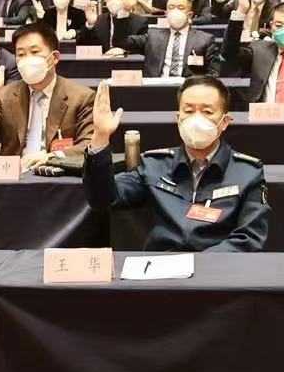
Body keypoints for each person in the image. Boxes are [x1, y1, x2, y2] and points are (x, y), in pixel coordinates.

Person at [83, 78, 269, 252]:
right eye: (188, 111)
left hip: (217, 267)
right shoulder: (154, 165)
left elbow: (249, 237)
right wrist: (101, 136)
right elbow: (103, 199)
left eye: (207, 112)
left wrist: (200, 265)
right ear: (178, 118)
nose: (196, 119)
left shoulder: (247, 172)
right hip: (162, 266)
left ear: (225, 122)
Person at [0, 22, 95, 158]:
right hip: (15, 169)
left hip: (56, 169)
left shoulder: (82, 97)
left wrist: (51, 157)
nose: (27, 59)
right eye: (21, 54)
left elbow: (89, 145)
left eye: (34, 52)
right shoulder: (4, 96)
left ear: (54, 58)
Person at [137, 0, 222, 79]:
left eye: (180, 8)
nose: (175, 11)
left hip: (188, 85)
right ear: (166, 13)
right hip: (156, 85)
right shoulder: (152, 35)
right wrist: (127, 12)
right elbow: (127, 41)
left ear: (190, 15)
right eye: (171, 7)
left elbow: (214, 73)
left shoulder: (205, 39)